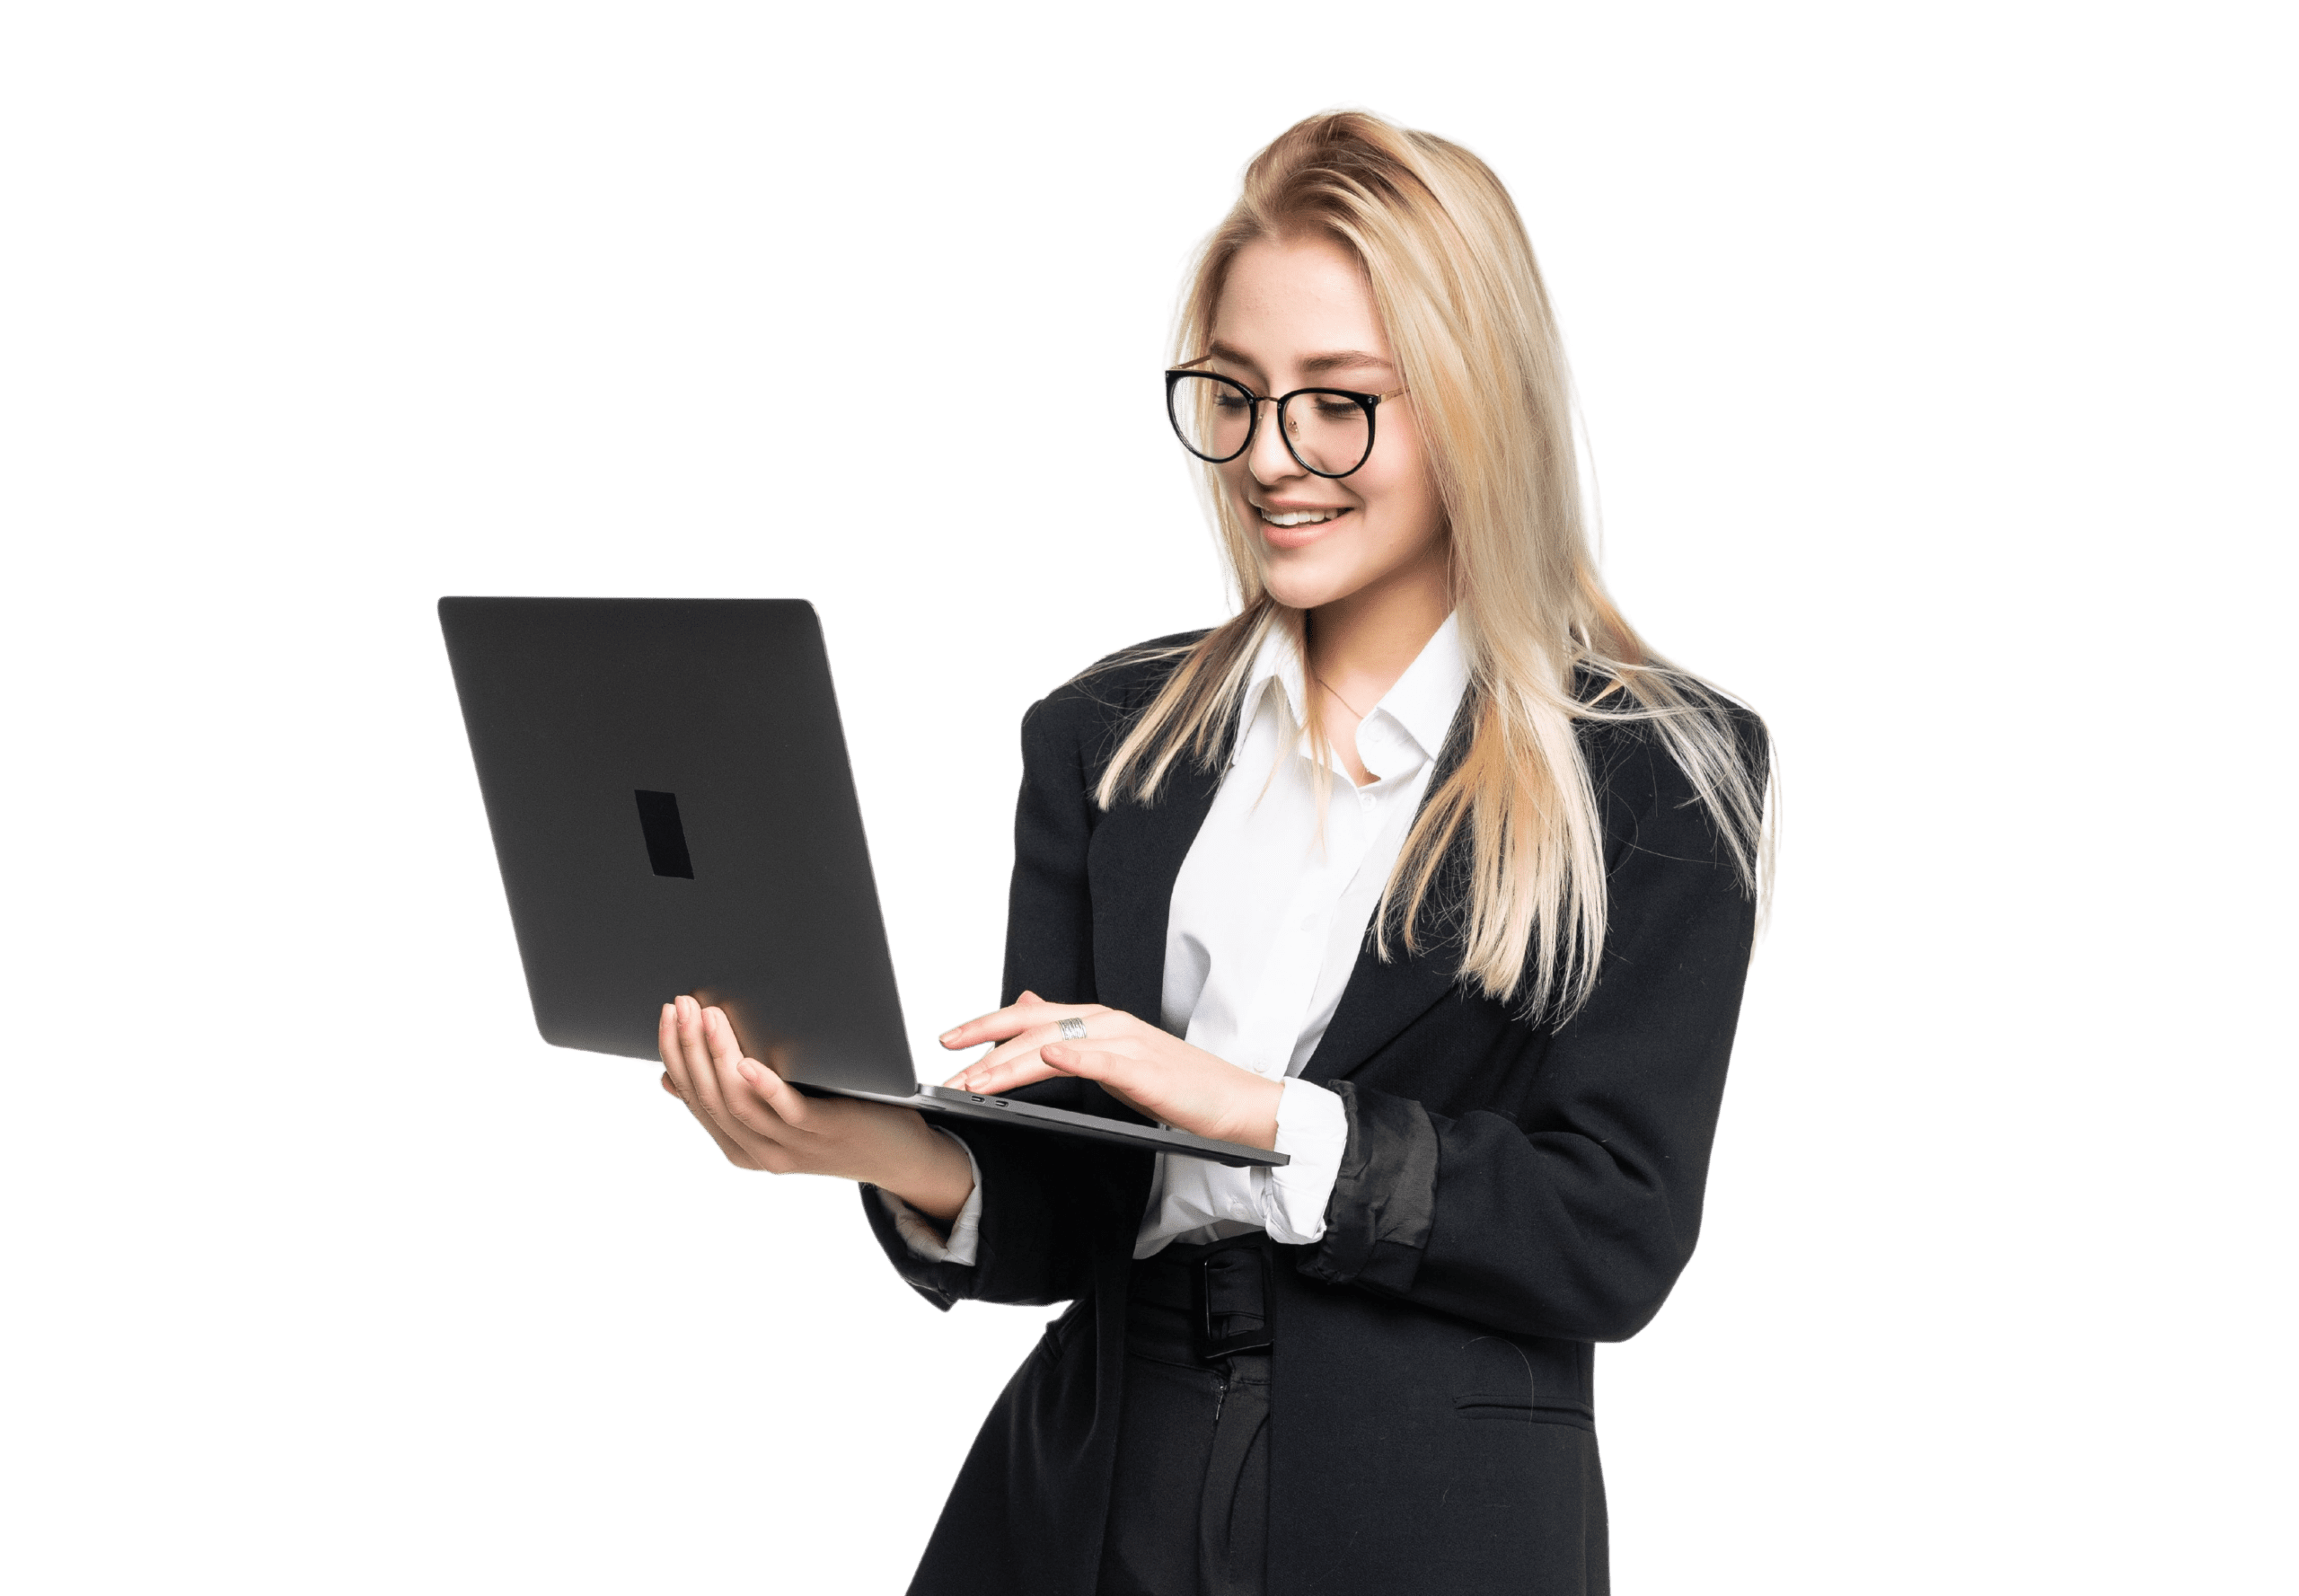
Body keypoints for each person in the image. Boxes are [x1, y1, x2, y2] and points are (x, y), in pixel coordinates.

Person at [653, 102, 1781, 1596]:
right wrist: (871, 1143)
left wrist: (1257, 1113)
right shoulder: (1107, 738)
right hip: (1086, 1486)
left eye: (1339, 400)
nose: (1270, 456)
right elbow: (1073, 1206)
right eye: (1232, 394)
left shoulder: (1652, 767)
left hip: (1421, 1514)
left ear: (1478, 405)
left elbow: (1613, 1233)